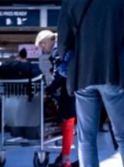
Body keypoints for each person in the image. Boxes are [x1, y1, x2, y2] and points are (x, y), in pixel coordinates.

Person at [58, 0, 124, 167]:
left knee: (86, 139)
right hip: (114, 74)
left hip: (82, 78)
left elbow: (63, 46)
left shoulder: (71, 2)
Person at [37, 30, 76, 167]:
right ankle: (66, 157)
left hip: (69, 90)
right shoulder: (66, 45)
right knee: (74, 124)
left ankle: (65, 159)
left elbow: (61, 73)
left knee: (68, 122)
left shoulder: (57, 50)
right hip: (78, 87)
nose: (43, 49)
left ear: (47, 41)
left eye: (42, 45)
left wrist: (49, 89)